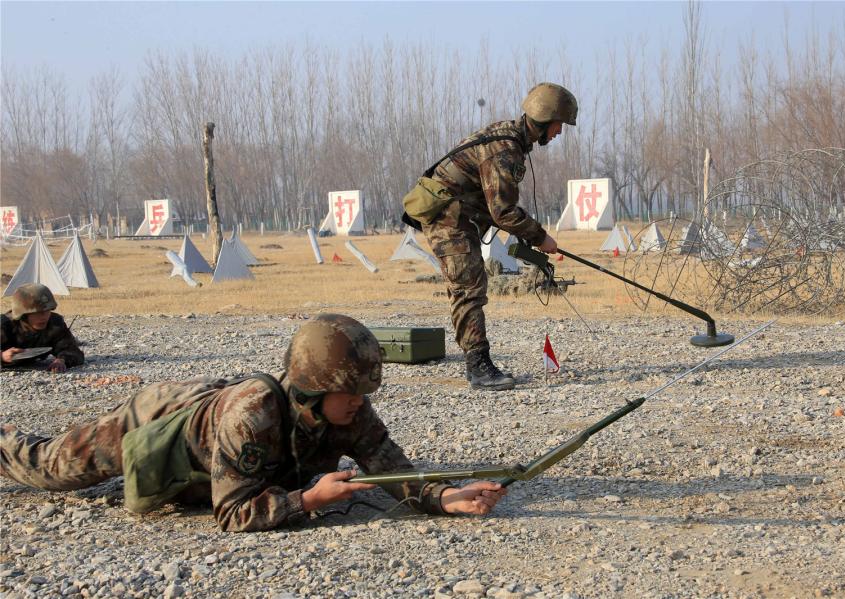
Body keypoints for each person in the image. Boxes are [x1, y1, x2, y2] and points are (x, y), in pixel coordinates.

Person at [0, 313, 507, 532]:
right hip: (159, 417)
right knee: (49, 467)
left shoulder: (347, 408)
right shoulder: (253, 416)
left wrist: (444, 497)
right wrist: (307, 499)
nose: (360, 404)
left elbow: (392, 466)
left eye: (361, 394)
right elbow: (233, 513)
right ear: (313, 389)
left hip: (211, 408)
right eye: (350, 393)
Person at [405, 82, 577, 391]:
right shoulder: (506, 151)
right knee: (468, 286)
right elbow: (503, 212)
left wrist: (527, 239)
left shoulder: (508, 138)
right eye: (558, 125)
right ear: (544, 119)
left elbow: (494, 204)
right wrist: (541, 238)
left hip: (458, 214)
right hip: (448, 216)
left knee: (470, 284)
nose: (559, 133)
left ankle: (477, 362)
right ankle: (478, 367)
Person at [1, 283, 83, 373]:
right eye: (38, 313)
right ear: (23, 315)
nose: (44, 317)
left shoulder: (54, 323)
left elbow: (73, 352)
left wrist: (62, 360)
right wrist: (2, 356)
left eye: (47, 310)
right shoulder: (4, 326)